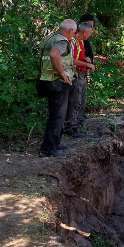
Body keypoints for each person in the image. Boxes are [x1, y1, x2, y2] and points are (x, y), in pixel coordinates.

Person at [38, 19, 76, 157]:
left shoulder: (50, 38)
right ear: (71, 30)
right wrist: (62, 74)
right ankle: (48, 149)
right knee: (57, 116)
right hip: (57, 81)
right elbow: (54, 54)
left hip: (46, 80)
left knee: (56, 115)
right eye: (74, 32)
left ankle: (56, 143)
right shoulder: (62, 41)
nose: (73, 35)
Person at [64, 22, 95, 137]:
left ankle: (77, 124)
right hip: (75, 74)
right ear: (84, 32)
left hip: (81, 74)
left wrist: (85, 59)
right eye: (89, 33)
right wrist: (87, 65)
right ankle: (70, 127)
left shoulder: (81, 42)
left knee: (81, 100)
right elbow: (71, 60)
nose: (90, 36)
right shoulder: (73, 42)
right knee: (75, 100)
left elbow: (79, 57)